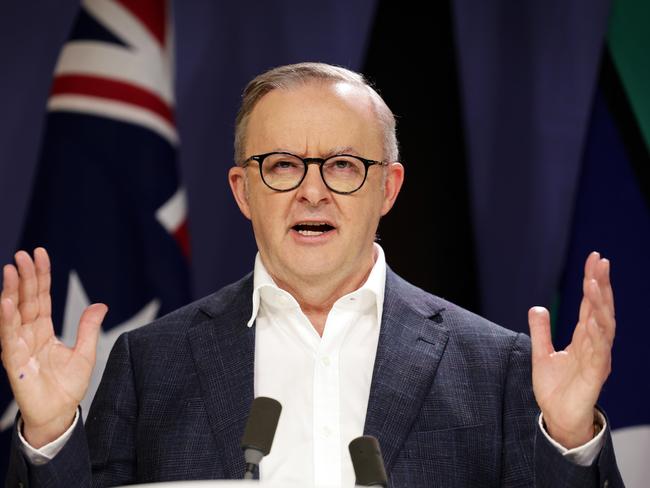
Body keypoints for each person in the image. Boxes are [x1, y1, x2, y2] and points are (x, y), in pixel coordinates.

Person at [1, 63, 622, 487]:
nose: (313, 192)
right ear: (243, 192)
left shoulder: (497, 365)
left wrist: (569, 438)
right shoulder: (150, 363)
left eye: (345, 166)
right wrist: (52, 434)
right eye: (282, 165)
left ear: (388, 187)